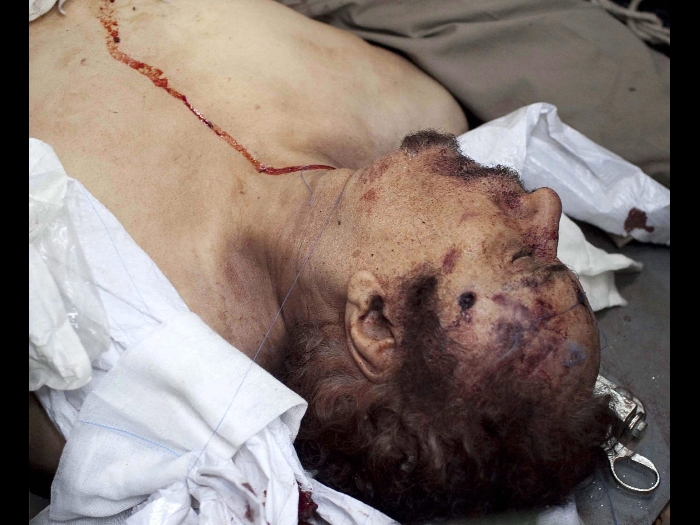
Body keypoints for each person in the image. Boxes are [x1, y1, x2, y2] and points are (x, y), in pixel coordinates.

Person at [29, 0, 617, 521]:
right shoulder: (398, 103)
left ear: (375, 321)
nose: (545, 205)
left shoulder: (93, 339)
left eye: (523, 257)